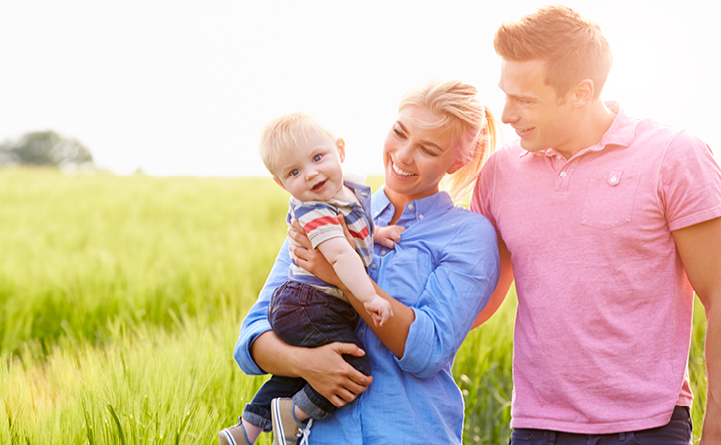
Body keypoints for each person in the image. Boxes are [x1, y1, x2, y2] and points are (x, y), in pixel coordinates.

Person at [470, 5, 721, 444]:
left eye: (525, 100)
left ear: (581, 92)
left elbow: (718, 291)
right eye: (505, 94)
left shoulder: (673, 156)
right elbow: (472, 296)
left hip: (648, 428)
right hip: (534, 429)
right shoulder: (500, 172)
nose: (506, 115)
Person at [232, 79, 501, 444]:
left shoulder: (468, 235)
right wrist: (305, 365)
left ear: (459, 159)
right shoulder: (323, 210)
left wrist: (341, 277)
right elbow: (251, 339)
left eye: (427, 148)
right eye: (400, 133)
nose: (404, 155)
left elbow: (428, 349)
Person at [219, 112, 403, 445]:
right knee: (352, 368)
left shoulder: (349, 191)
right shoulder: (314, 209)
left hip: (305, 304)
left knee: (305, 372)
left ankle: (247, 428)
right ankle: (293, 415)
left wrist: (377, 233)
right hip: (309, 304)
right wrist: (370, 298)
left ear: (340, 151)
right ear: (281, 183)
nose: (312, 173)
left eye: (318, 158)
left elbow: (356, 231)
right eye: (294, 171)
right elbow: (341, 256)